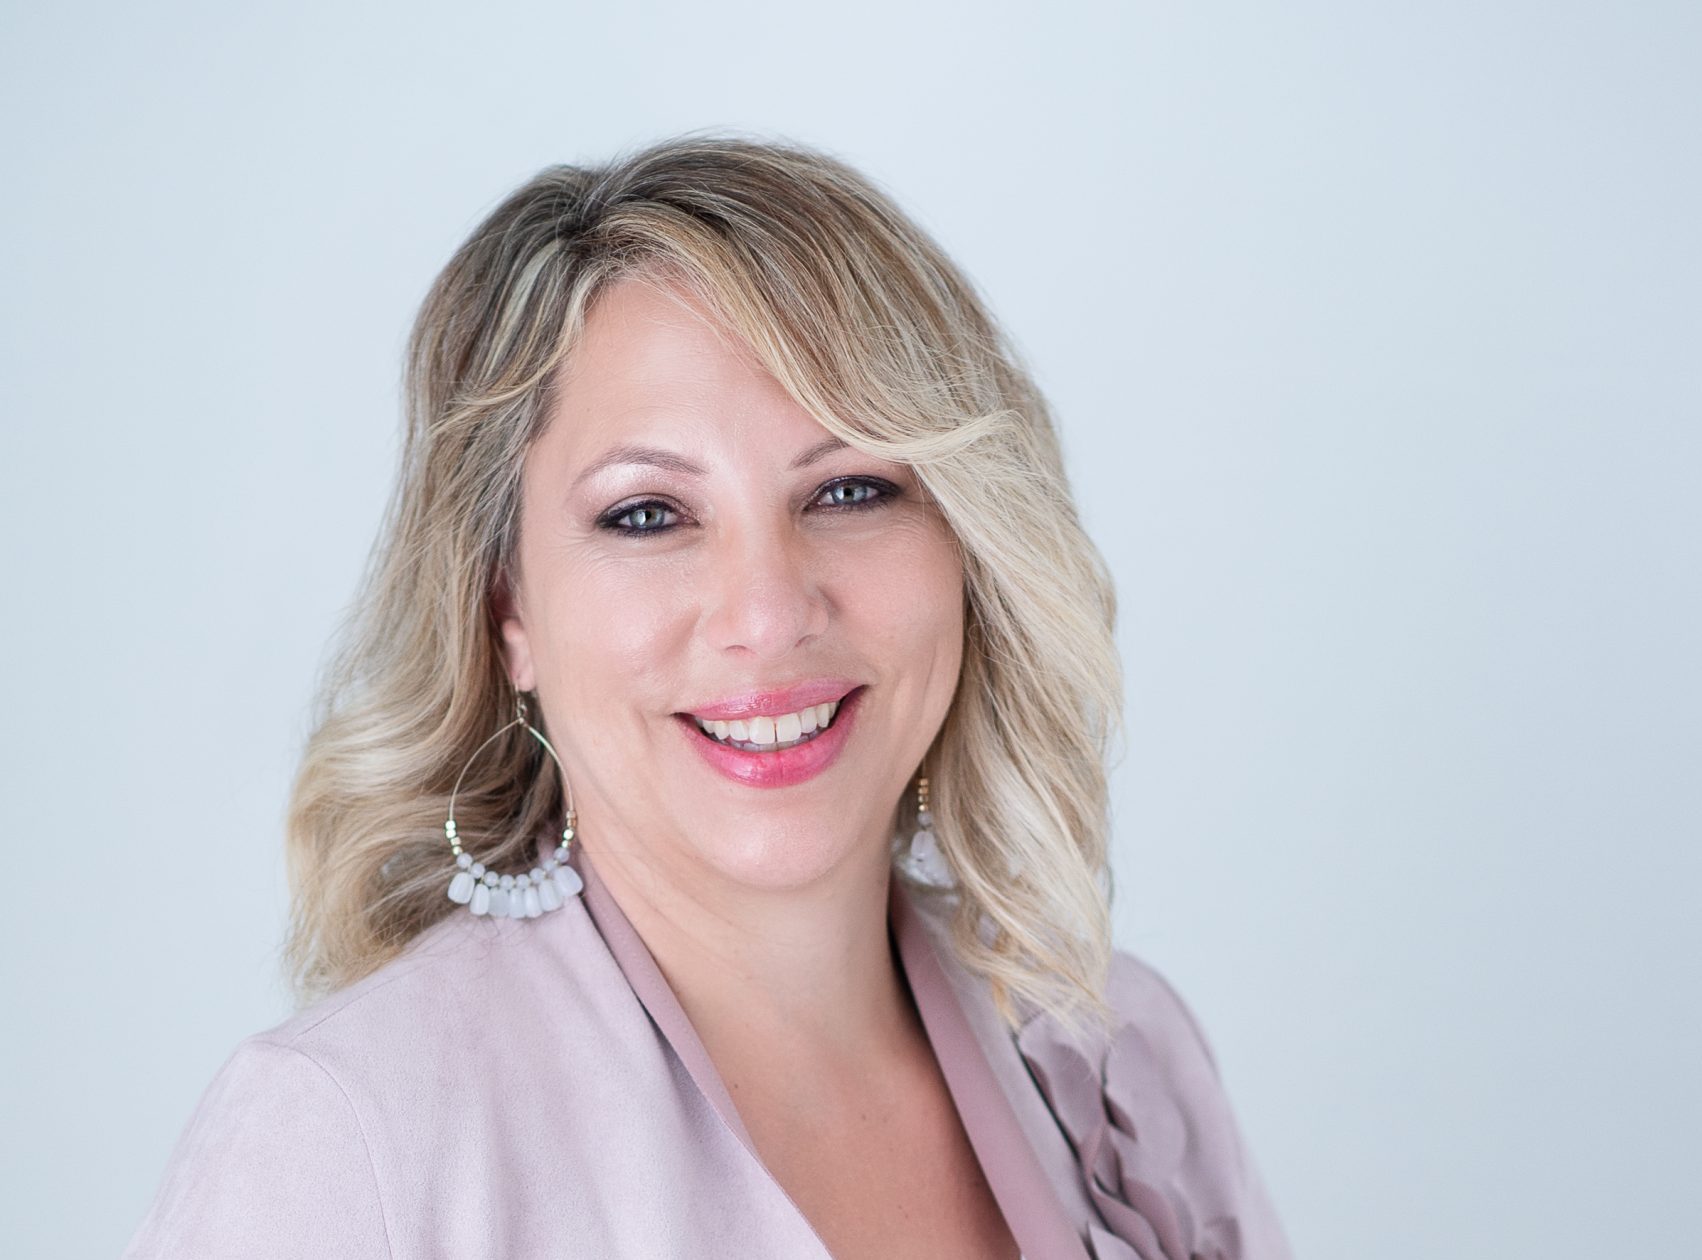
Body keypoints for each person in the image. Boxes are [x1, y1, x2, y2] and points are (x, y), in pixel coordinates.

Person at [123, 133, 1293, 1260]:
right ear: (506, 611)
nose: (768, 611)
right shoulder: (346, 1140)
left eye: (850, 490)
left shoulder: (1119, 1062)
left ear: (971, 544)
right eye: (647, 514)